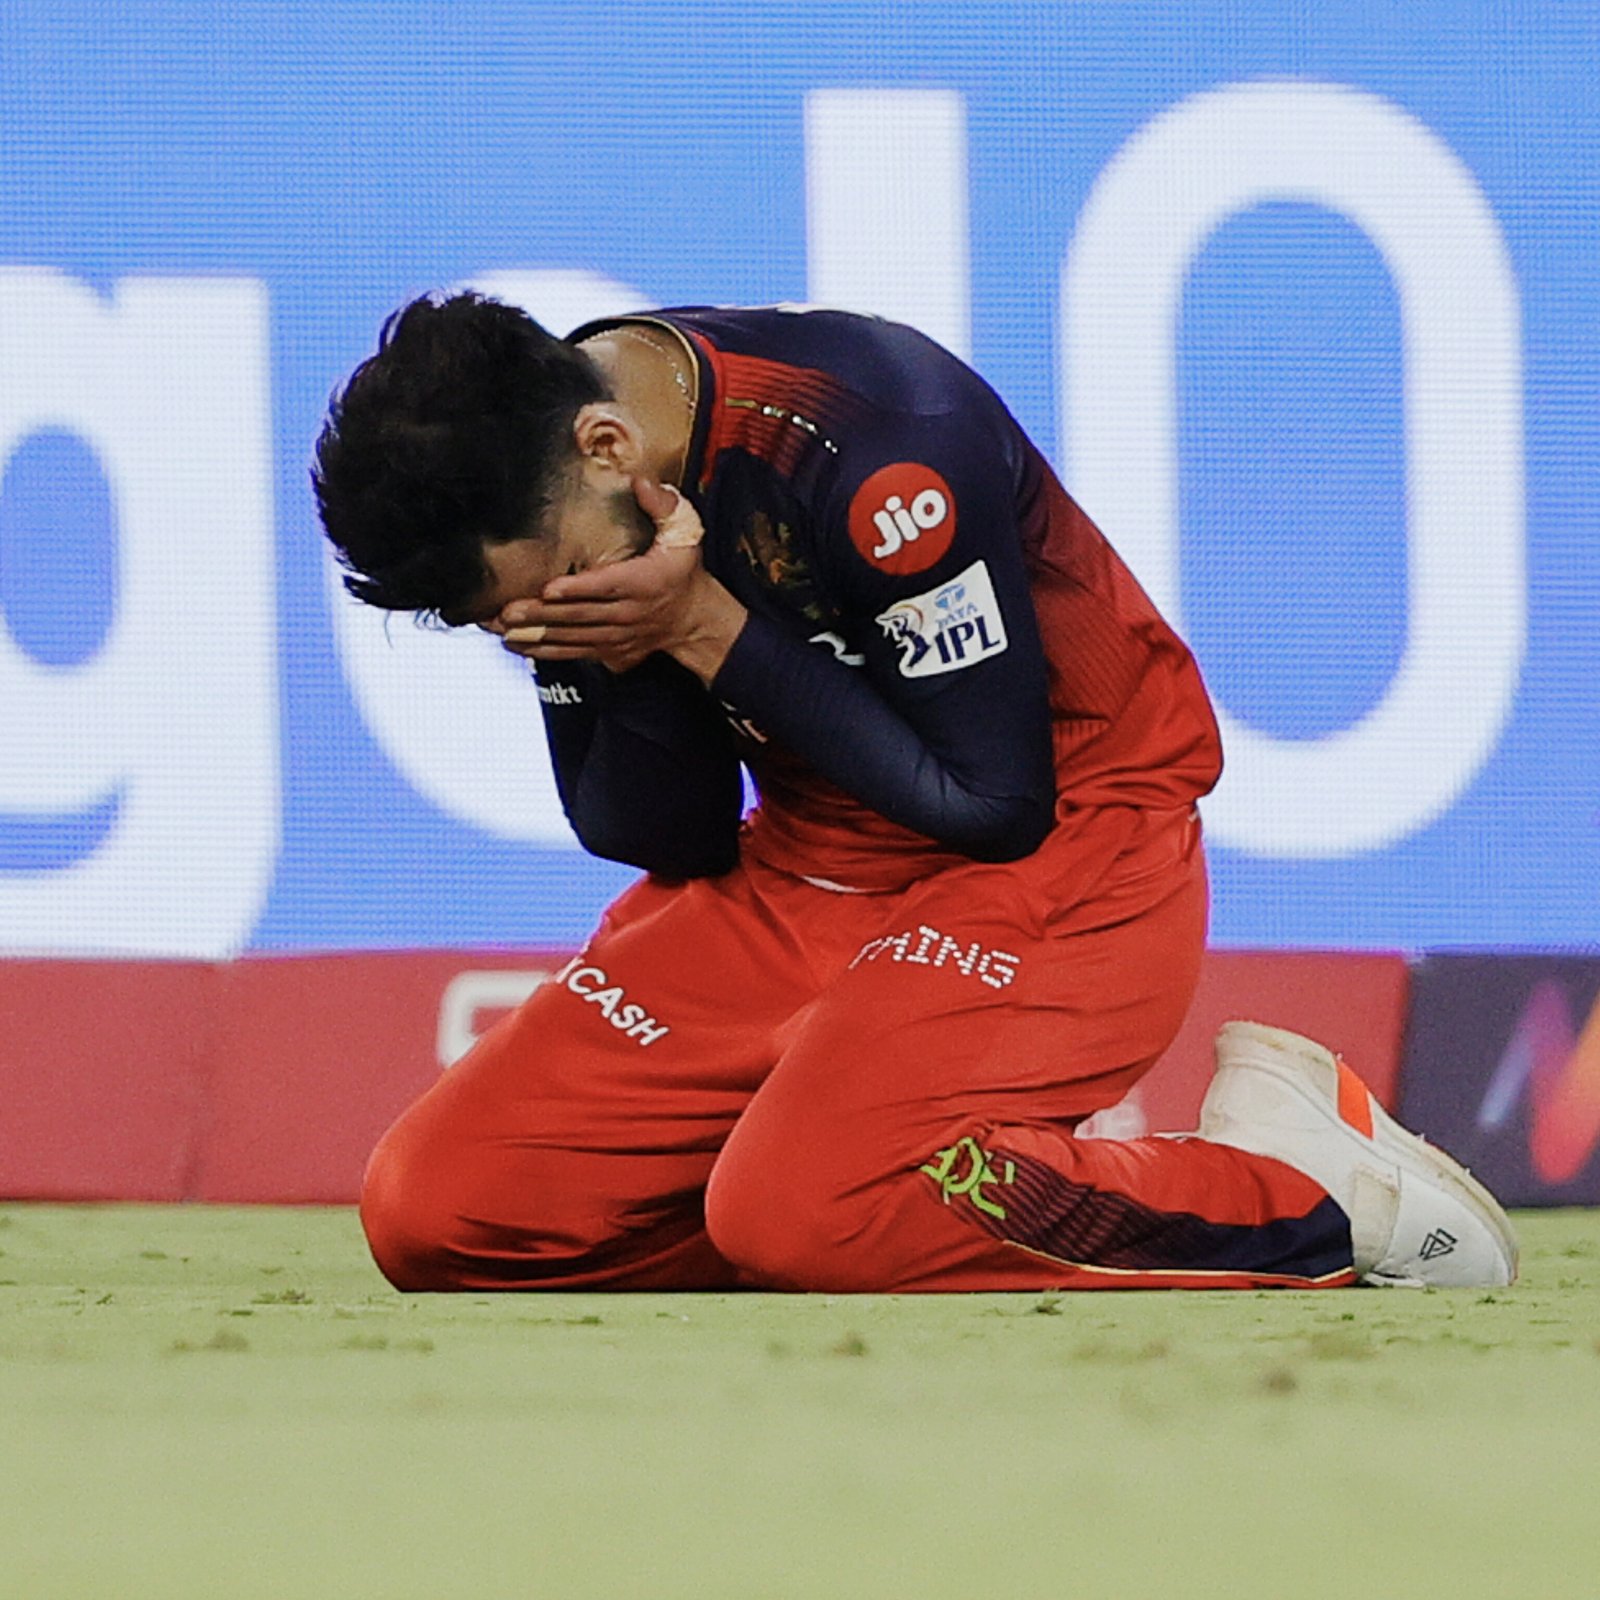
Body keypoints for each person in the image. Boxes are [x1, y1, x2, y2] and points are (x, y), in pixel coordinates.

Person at [313, 293, 1516, 1292]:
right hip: (811, 861)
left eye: (567, 583)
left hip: (1069, 846)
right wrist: (604, 652)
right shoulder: (561, 482)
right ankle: (863, 1191)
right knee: (440, 1208)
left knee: (799, 1209)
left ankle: (1304, 1193)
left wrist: (701, 625)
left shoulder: (880, 442)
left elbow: (994, 801)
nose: (558, 614)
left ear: (609, 447)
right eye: (518, 621)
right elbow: (665, 834)